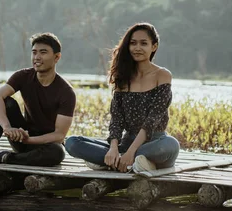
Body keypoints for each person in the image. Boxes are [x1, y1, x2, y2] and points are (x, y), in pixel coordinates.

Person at [65, 22, 179, 173]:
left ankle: (118, 161)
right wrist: (113, 148)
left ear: (154, 47)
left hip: (154, 143)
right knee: (72, 142)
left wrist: (131, 152)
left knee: (171, 144)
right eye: (133, 43)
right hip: (126, 142)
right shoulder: (123, 77)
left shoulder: (162, 75)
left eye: (143, 43)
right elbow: (116, 119)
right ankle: (127, 161)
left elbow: (152, 120)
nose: (137, 48)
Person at [0, 32, 76, 167]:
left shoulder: (66, 92)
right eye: (34, 52)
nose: (37, 57)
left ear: (57, 57)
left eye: (43, 53)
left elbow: (59, 135)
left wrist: (28, 140)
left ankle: (5, 157)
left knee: (57, 152)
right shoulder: (22, 76)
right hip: (20, 135)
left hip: (44, 145)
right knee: (6, 103)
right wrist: (7, 128)